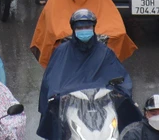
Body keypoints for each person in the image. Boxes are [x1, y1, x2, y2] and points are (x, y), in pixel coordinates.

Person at [37, 9, 134, 140]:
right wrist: (56, 95)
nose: (84, 30)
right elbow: (52, 79)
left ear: (93, 28)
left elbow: (119, 75)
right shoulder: (61, 52)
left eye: (87, 27)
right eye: (80, 27)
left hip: (102, 103)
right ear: (73, 29)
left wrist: (119, 90)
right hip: (70, 105)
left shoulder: (104, 52)